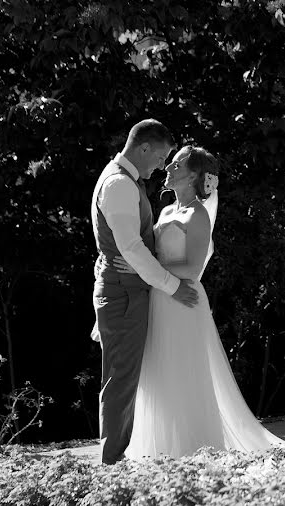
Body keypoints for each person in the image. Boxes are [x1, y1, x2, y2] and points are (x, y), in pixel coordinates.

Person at [114, 145, 285, 458]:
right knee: (159, 375)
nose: (168, 166)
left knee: (183, 373)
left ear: (193, 175)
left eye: (177, 163)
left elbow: (193, 268)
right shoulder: (167, 210)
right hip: (160, 297)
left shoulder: (197, 216)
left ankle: (196, 451)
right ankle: (159, 451)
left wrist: (146, 267)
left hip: (182, 302)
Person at [90, 119, 199, 465]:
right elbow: (131, 249)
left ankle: (117, 457)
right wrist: (173, 287)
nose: (160, 167)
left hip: (124, 289)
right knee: (121, 378)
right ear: (144, 147)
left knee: (125, 376)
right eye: (161, 157)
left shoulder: (120, 180)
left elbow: (124, 249)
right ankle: (111, 464)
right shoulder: (120, 185)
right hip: (123, 295)